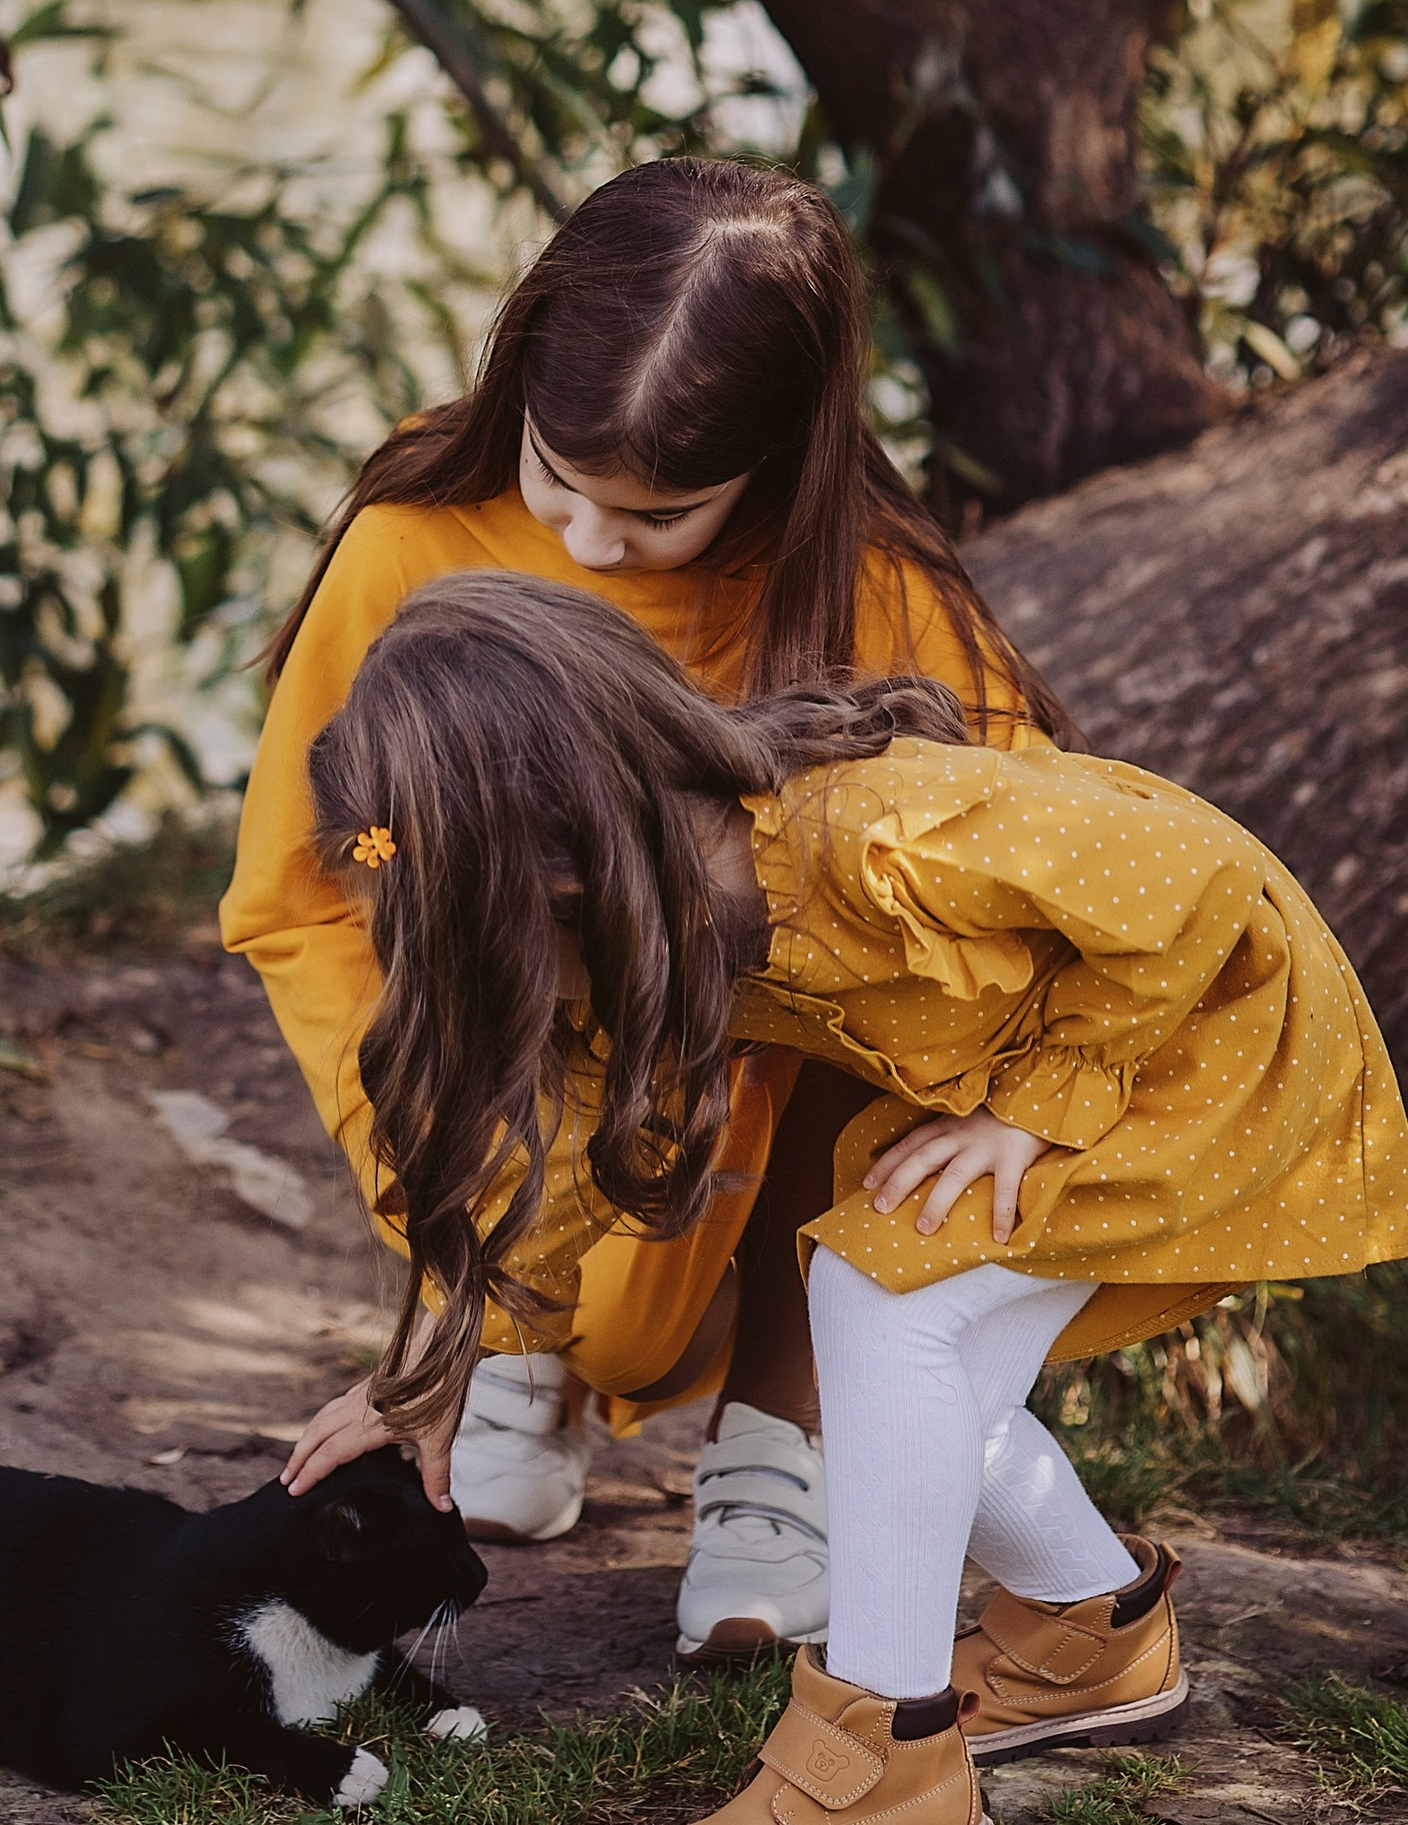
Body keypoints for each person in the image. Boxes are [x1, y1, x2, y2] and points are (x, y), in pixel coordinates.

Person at [282, 575, 1408, 1825]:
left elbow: (1203, 883)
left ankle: (884, 1763)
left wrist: (1033, 1108)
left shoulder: (872, 833)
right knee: (916, 1359)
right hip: (1101, 1064)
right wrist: (432, 1371)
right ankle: (1089, 1639)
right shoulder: (658, 914)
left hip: (1201, 1040)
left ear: (561, 870)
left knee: (889, 1305)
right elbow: (550, 1180)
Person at [221, 158, 1064, 1665]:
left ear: (782, 463)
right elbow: (300, 893)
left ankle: (777, 1447)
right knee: (476, 952)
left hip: (766, 1084)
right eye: (559, 485)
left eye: (661, 513)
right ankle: (521, 1361)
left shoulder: (869, 587)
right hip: (521, 1058)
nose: (595, 545)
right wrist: (448, 1205)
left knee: (909, 973)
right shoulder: (420, 527)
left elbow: (1033, 888)